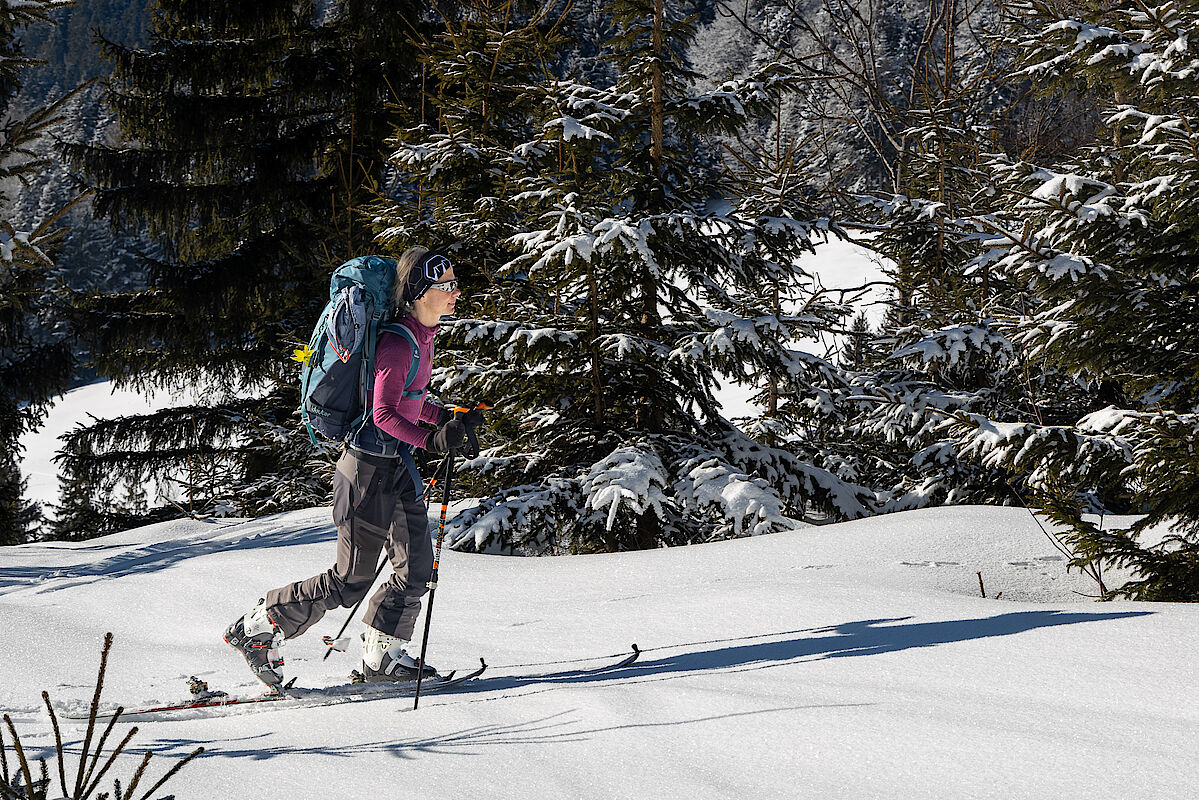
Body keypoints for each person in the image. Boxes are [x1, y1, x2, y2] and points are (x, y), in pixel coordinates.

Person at [224, 246, 480, 688]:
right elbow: (382, 414)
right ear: (421, 292)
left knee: (416, 568)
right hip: (364, 471)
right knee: (351, 579)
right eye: (447, 285)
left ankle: (383, 656)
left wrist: (447, 420)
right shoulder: (400, 343)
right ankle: (259, 626)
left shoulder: (423, 336)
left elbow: (407, 403)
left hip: (395, 467)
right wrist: (431, 439)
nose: (456, 292)